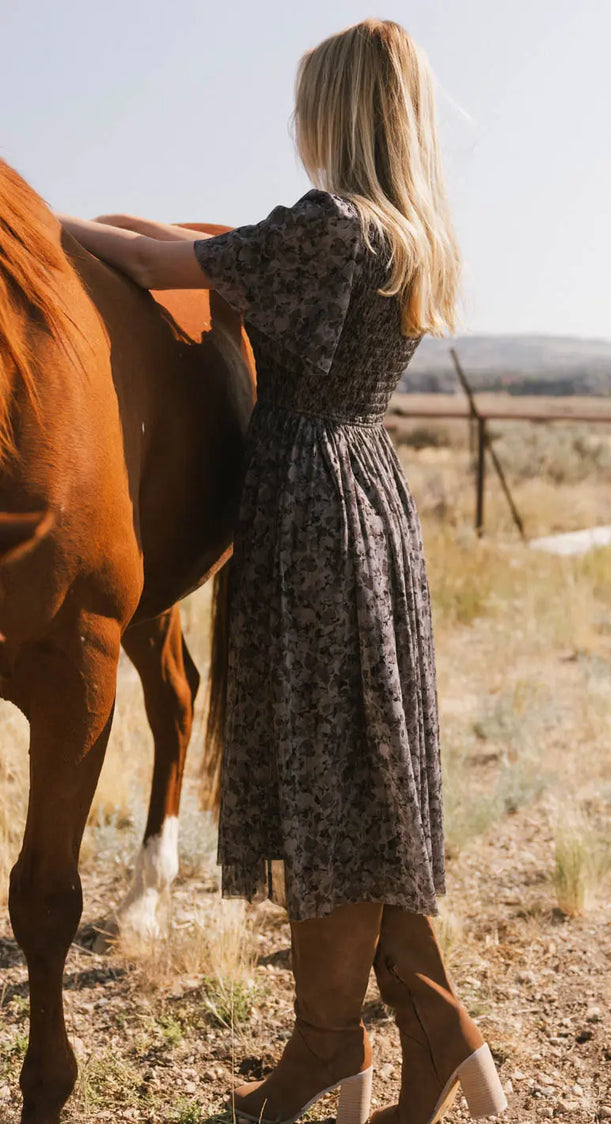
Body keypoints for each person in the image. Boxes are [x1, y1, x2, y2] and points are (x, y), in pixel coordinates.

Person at [58, 18, 507, 1124]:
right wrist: (128, 228)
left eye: (309, 102)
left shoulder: (324, 225)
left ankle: (338, 1050)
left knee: (326, 790)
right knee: (355, 786)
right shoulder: (400, 234)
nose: (297, 123)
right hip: (369, 497)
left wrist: (34, 219)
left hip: (308, 510)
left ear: (340, 112)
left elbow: (173, 267)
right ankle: (409, 1045)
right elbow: (205, 250)